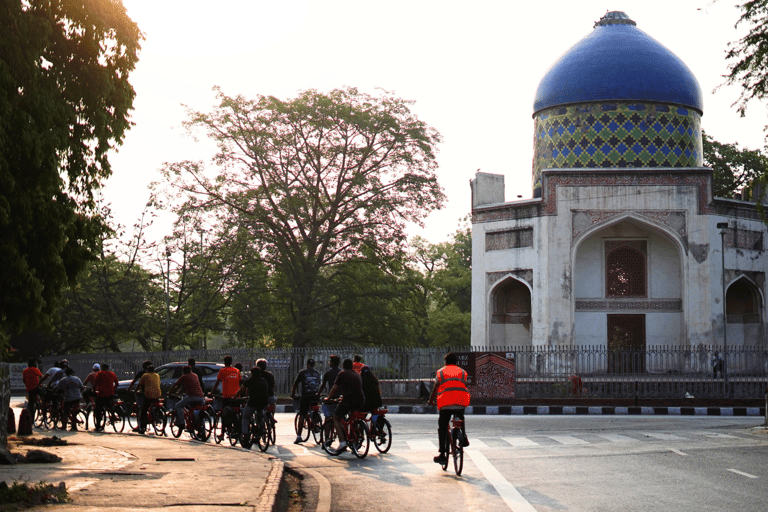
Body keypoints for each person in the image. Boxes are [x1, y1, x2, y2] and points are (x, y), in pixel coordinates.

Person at [427, 352, 471, 464]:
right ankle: (464, 436)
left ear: (445, 362)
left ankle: (442, 454)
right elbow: (464, 385)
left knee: (442, 426)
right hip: (461, 402)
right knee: (460, 419)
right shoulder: (462, 372)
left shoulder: (441, 372)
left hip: (445, 404)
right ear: (456, 362)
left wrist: (431, 400)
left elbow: (435, 388)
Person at [327, 358, 365, 453]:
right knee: (353, 419)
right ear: (352, 366)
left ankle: (342, 442)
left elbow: (334, 388)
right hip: (360, 400)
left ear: (343, 366)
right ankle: (355, 437)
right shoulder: (357, 374)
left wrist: (328, 398)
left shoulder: (342, 374)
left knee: (336, 417)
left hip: (348, 401)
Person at [290, 358, 321, 444]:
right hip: (315, 396)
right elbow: (319, 384)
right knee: (314, 409)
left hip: (306, 396)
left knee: (302, 414)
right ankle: (316, 423)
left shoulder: (302, 372)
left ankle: (299, 436)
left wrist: (293, 394)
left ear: (307, 364)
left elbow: (295, 383)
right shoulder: (317, 373)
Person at [236, 366, 270, 444]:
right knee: (260, 414)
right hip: (264, 402)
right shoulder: (264, 381)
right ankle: (261, 428)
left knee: (245, 417)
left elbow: (241, 390)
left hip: (253, 402)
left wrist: (234, 397)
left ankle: (245, 434)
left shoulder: (249, 381)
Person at [168, 365, 205, 430]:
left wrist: (170, 392)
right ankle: (201, 426)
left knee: (178, 406)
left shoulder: (184, 377)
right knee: (200, 411)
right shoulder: (195, 375)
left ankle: (182, 423)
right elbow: (186, 386)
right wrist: (180, 391)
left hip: (191, 397)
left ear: (183, 371)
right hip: (201, 397)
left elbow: (176, 385)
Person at [210, 355, 241, 431]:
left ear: (224, 363)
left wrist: (211, 392)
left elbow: (217, 383)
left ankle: (222, 433)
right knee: (237, 411)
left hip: (227, 396)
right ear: (231, 362)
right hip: (237, 396)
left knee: (224, 414)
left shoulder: (222, 371)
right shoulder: (237, 371)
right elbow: (239, 382)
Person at [135, 365, 162, 434]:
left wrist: (135, 391)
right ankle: (156, 416)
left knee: (144, 410)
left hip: (149, 395)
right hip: (158, 394)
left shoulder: (145, 375)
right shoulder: (157, 375)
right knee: (154, 404)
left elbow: (140, 384)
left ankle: (143, 427)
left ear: (147, 370)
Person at [93, 363, 119, 432]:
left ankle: (98, 426)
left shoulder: (99, 374)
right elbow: (117, 384)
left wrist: (93, 390)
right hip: (110, 394)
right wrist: (113, 389)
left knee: (98, 409)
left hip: (101, 394)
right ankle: (113, 415)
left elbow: (95, 384)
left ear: (102, 368)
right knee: (110, 406)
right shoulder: (112, 374)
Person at [360, 365, 383, 429]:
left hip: (366, 402)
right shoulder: (374, 379)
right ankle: (376, 428)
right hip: (377, 401)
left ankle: (361, 428)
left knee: (361, 416)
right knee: (374, 413)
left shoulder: (361, 379)